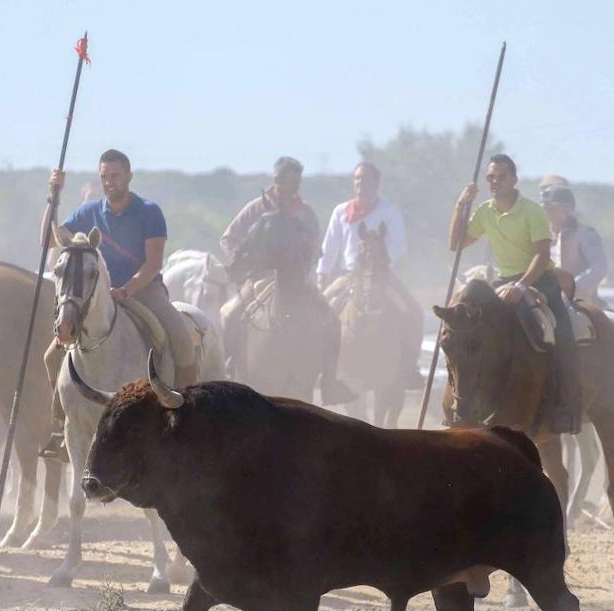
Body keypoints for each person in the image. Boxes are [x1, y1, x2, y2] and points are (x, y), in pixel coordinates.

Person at [38, 149, 196, 459]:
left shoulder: (149, 211)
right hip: (96, 296)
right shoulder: (88, 212)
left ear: (128, 177)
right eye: (104, 177)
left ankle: (188, 417)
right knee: (50, 355)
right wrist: (53, 198)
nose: (109, 182)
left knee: (181, 339)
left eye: (115, 176)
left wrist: (126, 289)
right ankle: (61, 425)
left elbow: (153, 263)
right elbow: (49, 240)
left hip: (142, 290)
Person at [449, 153, 580, 433]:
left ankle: (566, 406)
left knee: (564, 335)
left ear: (514, 179)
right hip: (503, 281)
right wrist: (461, 205)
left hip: (540, 278)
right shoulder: (485, 210)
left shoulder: (532, 211)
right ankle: (469, 399)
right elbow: (457, 244)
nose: (495, 182)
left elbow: (543, 255)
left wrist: (521, 286)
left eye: (501, 177)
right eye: (491, 178)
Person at [219, 156, 354, 405]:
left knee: (332, 320)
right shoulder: (256, 208)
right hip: (260, 278)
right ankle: (229, 366)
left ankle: (329, 381)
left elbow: (317, 248)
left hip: (297, 279)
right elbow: (228, 238)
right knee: (230, 313)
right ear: (277, 180)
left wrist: (306, 256)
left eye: (297, 183)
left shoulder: (305, 212)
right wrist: (243, 260)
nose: (293, 188)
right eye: (288, 182)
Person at [318, 161, 423, 386]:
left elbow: (399, 246)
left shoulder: (389, 211)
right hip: (348, 275)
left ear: (376, 183)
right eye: (357, 179)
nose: (360, 184)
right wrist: (322, 274)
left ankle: (409, 367)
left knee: (413, 310)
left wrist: (381, 266)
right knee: (321, 312)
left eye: (365, 179)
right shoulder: (341, 211)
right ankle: (323, 366)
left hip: (383, 274)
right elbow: (330, 246)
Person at [541, 183, 608, 307]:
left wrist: (572, 286)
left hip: (581, 302)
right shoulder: (543, 237)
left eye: (552, 209)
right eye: (545, 209)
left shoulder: (586, 234)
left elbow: (599, 268)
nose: (547, 213)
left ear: (568, 209)